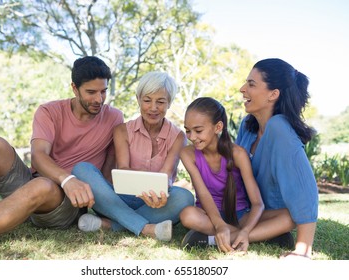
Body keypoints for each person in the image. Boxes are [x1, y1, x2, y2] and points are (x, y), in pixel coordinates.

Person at [0, 56, 123, 244]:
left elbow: (110, 168)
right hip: (33, 184)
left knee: (42, 185)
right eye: (91, 92)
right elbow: (38, 156)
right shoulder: (49, 111)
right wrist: (67, 179)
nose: (99, 99)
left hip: (66, 203)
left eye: (103, 91)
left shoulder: (114, 118)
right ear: (75, 88)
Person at [72, 71, 195, 241]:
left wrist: (159, 193)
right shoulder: (122, 130)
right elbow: (123, 169)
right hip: (120, 198)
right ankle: (146, 228)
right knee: (81, 169)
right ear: (138, 99)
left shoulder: (179, 136)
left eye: (160, 102)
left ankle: (112, 225)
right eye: (147, 100)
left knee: (185, 197)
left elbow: (166, 174)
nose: (153, 108)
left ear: (169, 103)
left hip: (156, 202)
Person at [236, 58, 318, 259]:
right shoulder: (247, 125)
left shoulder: (280, 128)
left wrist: (303, 250)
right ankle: (262, 235)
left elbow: (305, 189)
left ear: (273, 94)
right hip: (246, 211)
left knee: (289, 218)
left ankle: (224, 237)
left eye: (251, 84)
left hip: (274, 215)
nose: (242, 88)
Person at [179, 97, 265, 253]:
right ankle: (263, 235)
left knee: (288, 217)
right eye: (187, 130)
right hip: (209, 216)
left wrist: (245, 231)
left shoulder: (238, 154)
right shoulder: (187, 154)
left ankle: (211, 239)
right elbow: (203, 193)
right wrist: (219, 224)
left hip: (239, 215)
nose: (191, 137)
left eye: (198, 131)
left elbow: (258, 203)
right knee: (187, 215)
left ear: (218, 127)